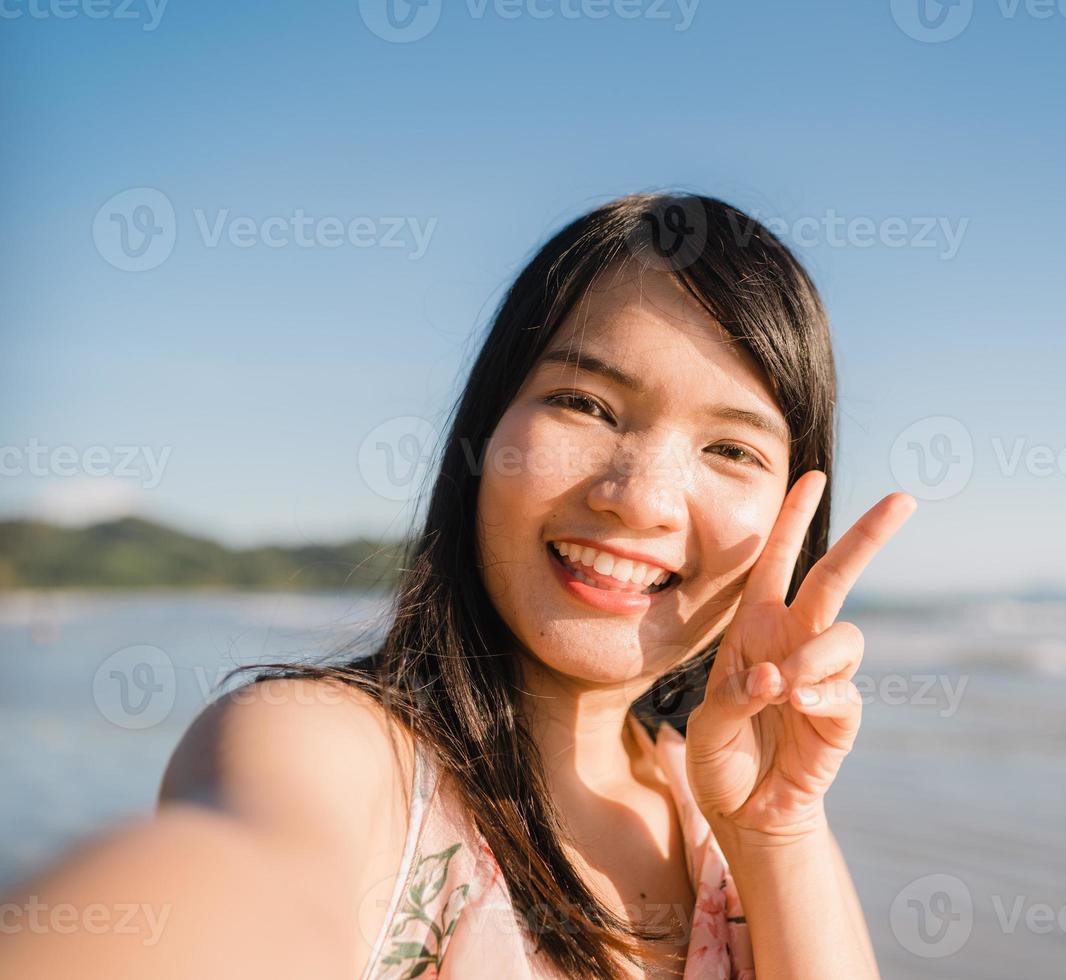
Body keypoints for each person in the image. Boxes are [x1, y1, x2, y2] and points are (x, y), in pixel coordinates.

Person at [0, 192, 916, 979]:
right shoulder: (333, 755)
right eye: (585, 404)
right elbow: (226, 891)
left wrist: (778, 832)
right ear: (485, 436)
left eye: (730, 449)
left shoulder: (738, 811)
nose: (640, 500)